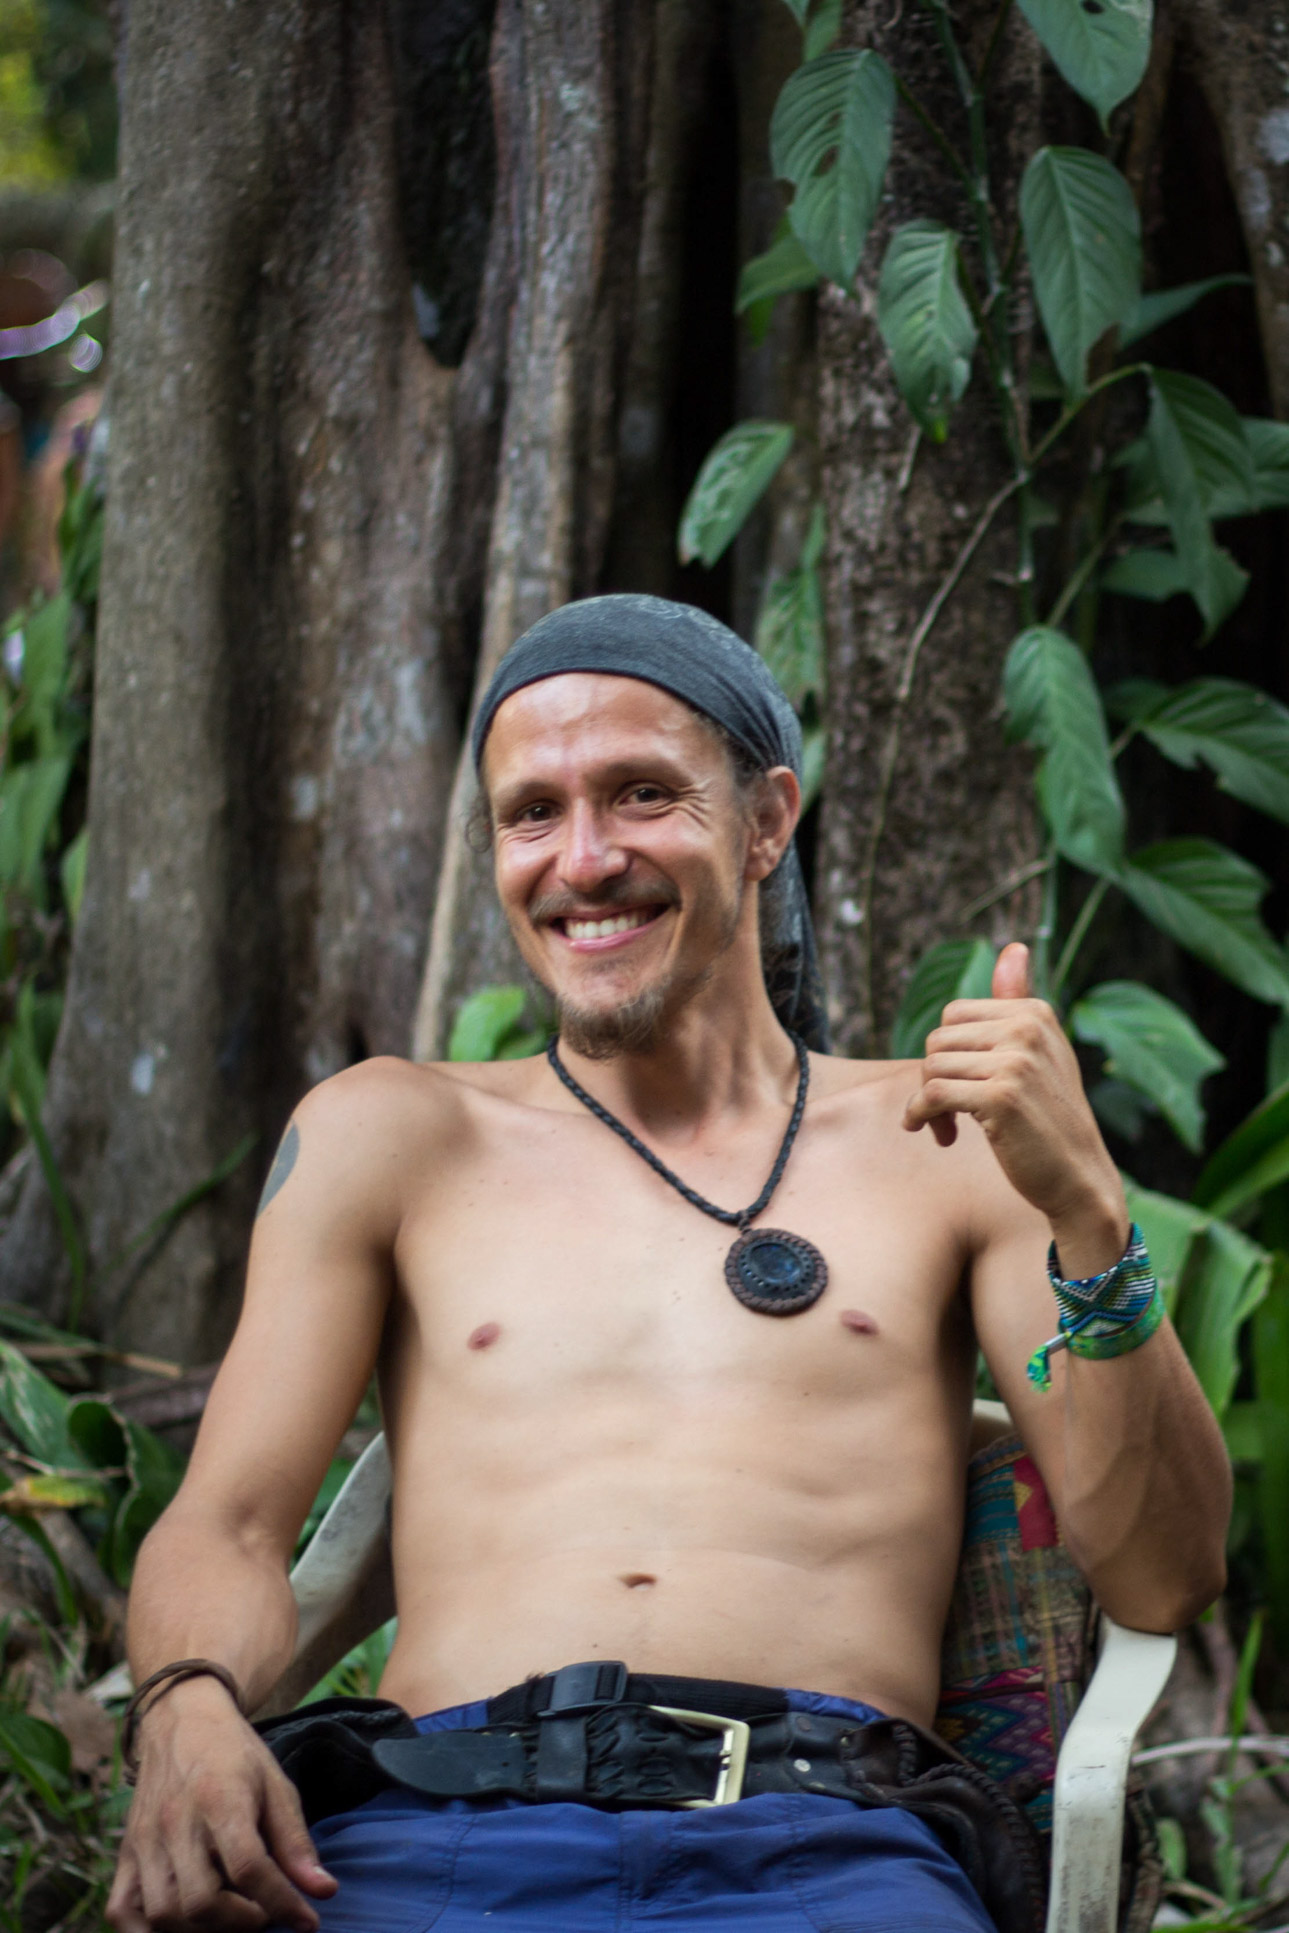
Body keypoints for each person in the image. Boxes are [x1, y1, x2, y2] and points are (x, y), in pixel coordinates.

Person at [108, 596, 1230, 1933]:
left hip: (832, 1853)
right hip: (426, 1841)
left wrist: (1088, 1217)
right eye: (532, 812)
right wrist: (185, 1705)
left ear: (764, 821)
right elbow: (227, 1520)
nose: (581, 859)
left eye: (640, 794)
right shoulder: (385, 1136)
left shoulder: (947, 1141)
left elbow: (1163, 1573)